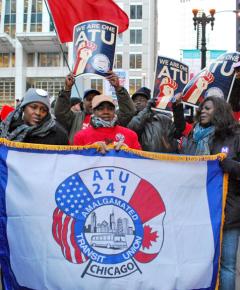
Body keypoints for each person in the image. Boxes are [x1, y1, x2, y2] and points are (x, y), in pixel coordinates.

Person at [174, 96, 240, 290]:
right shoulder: (194, 136)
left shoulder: (235, 136)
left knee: (226, 264)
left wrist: (230, 165)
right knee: (199, 262)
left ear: (219, 111)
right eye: (201, 108)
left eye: (208, 108)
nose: (202, 111)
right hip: (199, 209)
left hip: (228, 210)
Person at [55, 71, 135, 144]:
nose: (93, 102)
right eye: (89, 99)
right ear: (82, 104)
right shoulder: (74, 117)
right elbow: (61, 113)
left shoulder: (111, 117)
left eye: (96, 99)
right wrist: (67, 89)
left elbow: (128, 112)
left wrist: (118, 88)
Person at [73, 94, 141, 153]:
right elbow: (77, 163)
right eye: (100, 109)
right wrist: (90, 150)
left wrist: (129, 152)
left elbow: (139, 161)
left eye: (110, 108)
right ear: (93, 111)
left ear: (114, 111)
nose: (106, 112)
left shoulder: (131, 135)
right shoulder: (80, 136)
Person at [0, 88, 69, 145]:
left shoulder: (59, 135)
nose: (38, 113)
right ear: (23, 107)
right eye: (33, 107)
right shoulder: (8, 128)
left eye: (43, 110)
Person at [127, 87, 179, 153]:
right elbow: (133, 128)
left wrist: (177, 107)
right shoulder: (132, 119)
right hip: (143, 160)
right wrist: (146, 109)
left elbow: (178, 132)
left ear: (150, 102)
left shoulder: (163, 119)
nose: (138, 102)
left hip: (164, 160)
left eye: (141, 100)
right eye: (135, 101)